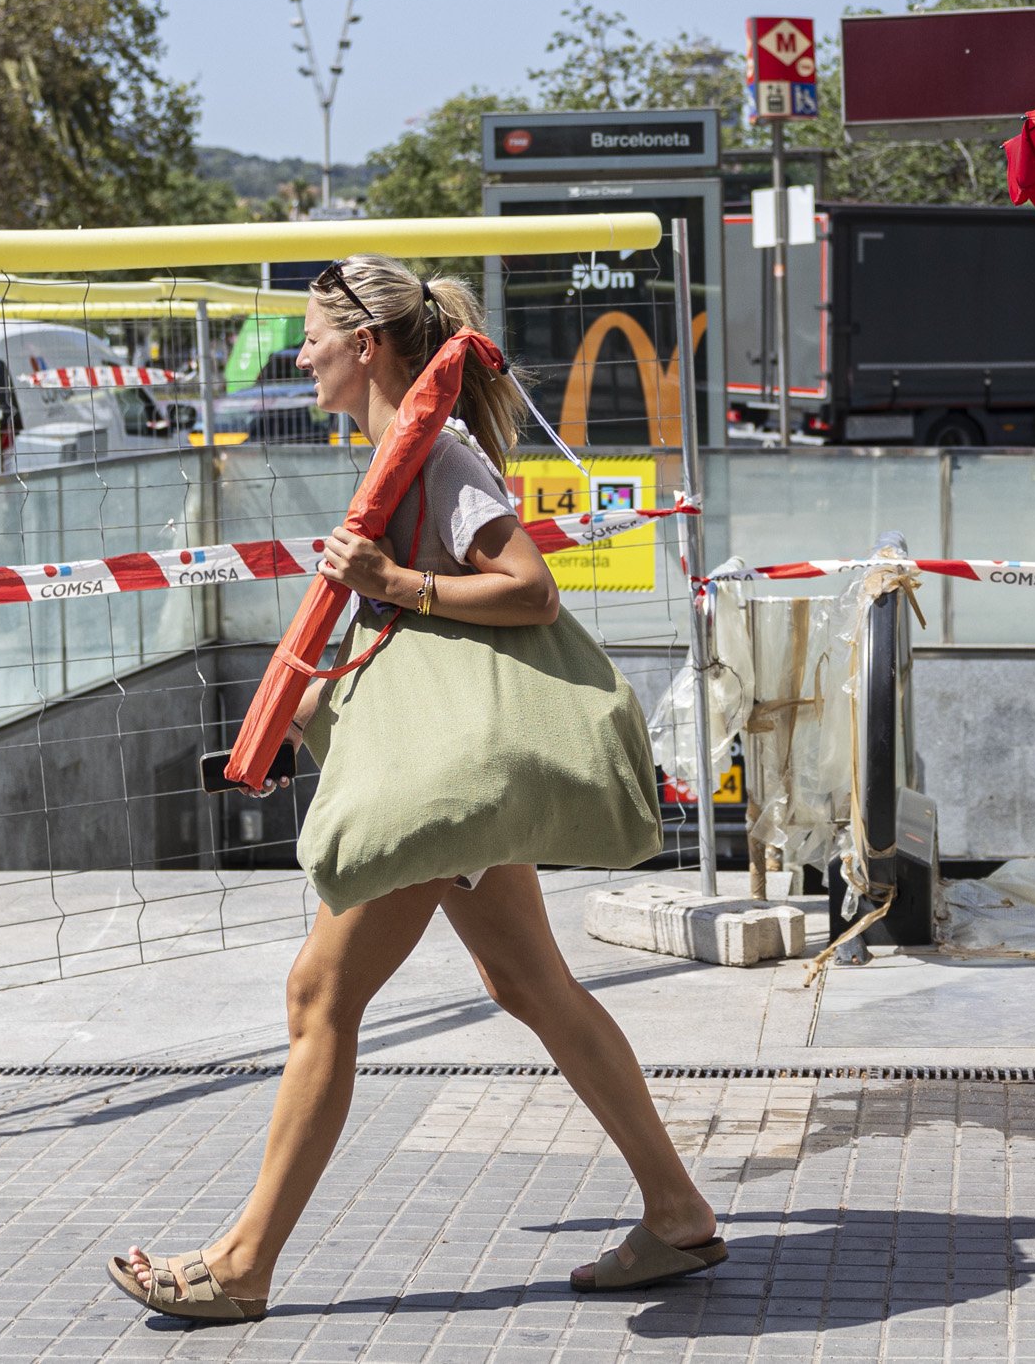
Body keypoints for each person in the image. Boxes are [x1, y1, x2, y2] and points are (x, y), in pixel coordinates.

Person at [108, 255, 724, 1324]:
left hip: (440, 778)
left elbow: (526, 588)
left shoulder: (437, 454)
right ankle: (675, 1209)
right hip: (437, 768)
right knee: (528, 986)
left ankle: (244, 1263)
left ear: (369, 345)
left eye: (312, 337)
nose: (301, 355)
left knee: (320, 995)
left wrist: (391, 583)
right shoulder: (408, 452)